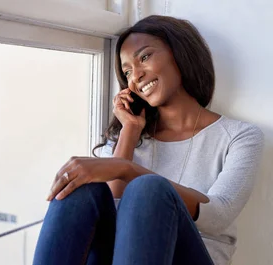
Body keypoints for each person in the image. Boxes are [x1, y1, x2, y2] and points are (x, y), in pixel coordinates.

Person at [32, 15, 264, 265]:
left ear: (179, 53)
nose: (136, 76)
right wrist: (130, 131)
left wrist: (127, 169)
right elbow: (107, 207)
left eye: (144, 57)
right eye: (127, 71)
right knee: (84, 187)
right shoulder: (130, 137)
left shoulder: (239, 136)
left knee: (149, 188)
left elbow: (218, 214)